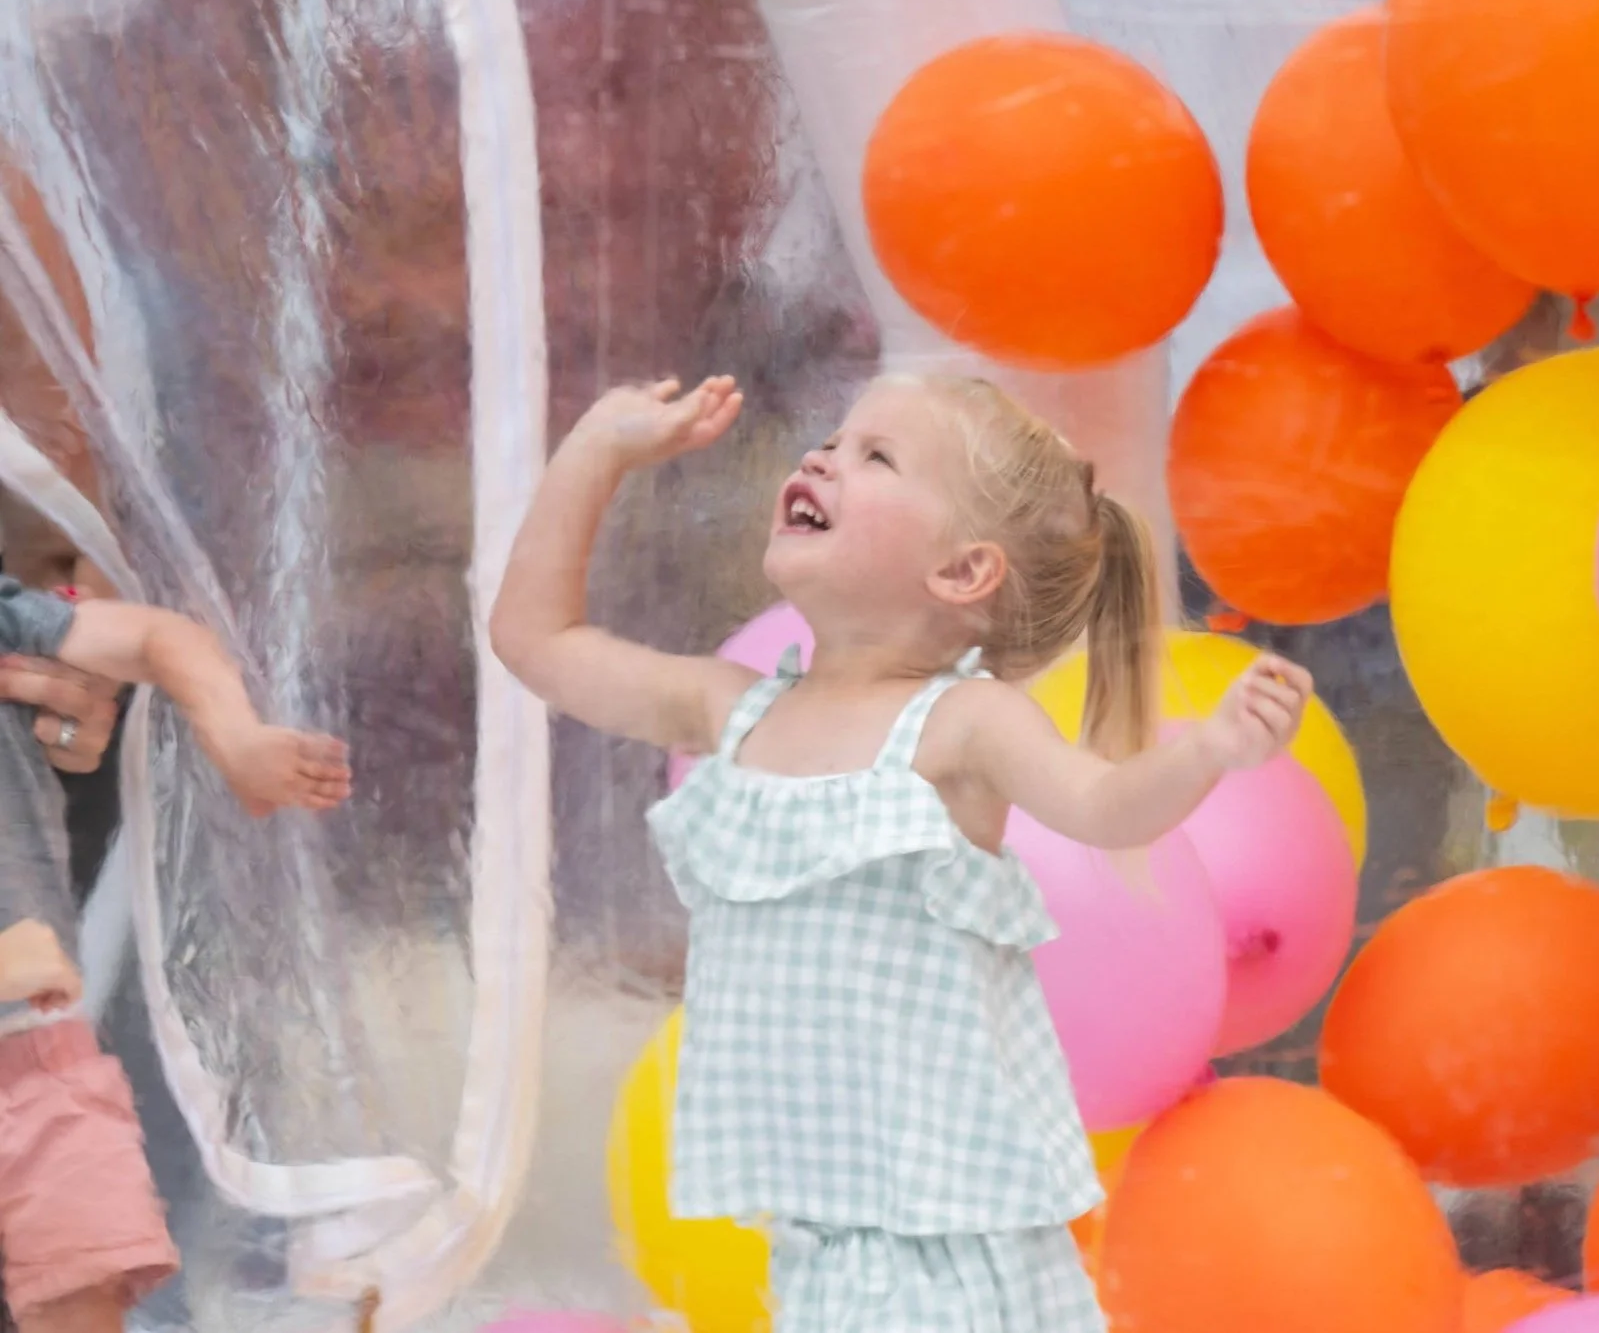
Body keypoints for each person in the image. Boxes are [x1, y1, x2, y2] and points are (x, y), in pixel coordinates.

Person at [492, 372, 1312, 1330]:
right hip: (824, 1243)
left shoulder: (960, 726)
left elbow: (1104, 806)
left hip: (955, 1247)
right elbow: (533, 638)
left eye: (873, 456)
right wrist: (598, 449)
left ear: (963, 573)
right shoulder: (731, 707)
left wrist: (1212, 751)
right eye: (833, 442)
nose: (822, 457)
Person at [0, 579, 351, 1333]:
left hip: (38, 1061)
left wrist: (237, 739)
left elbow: (161, 638)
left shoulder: (9, 621)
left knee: (83, 1289)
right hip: (28, 1004)